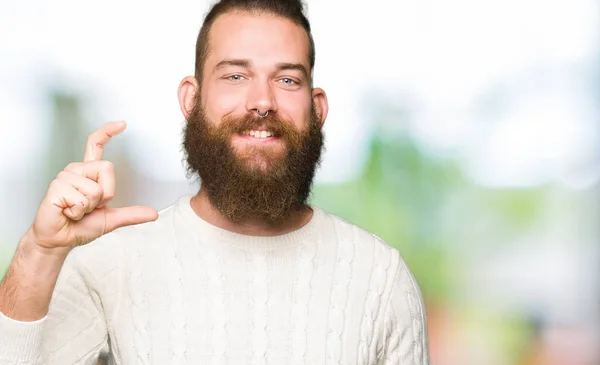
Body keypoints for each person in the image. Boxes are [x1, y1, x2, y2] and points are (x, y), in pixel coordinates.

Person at [0, 0, 430, 364]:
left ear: (317, 109)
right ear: (191, 99)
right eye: (235, 75)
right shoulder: (111, 263)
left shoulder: (381, 278)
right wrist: (39, 251)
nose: (262, 101)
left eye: (286, 80)